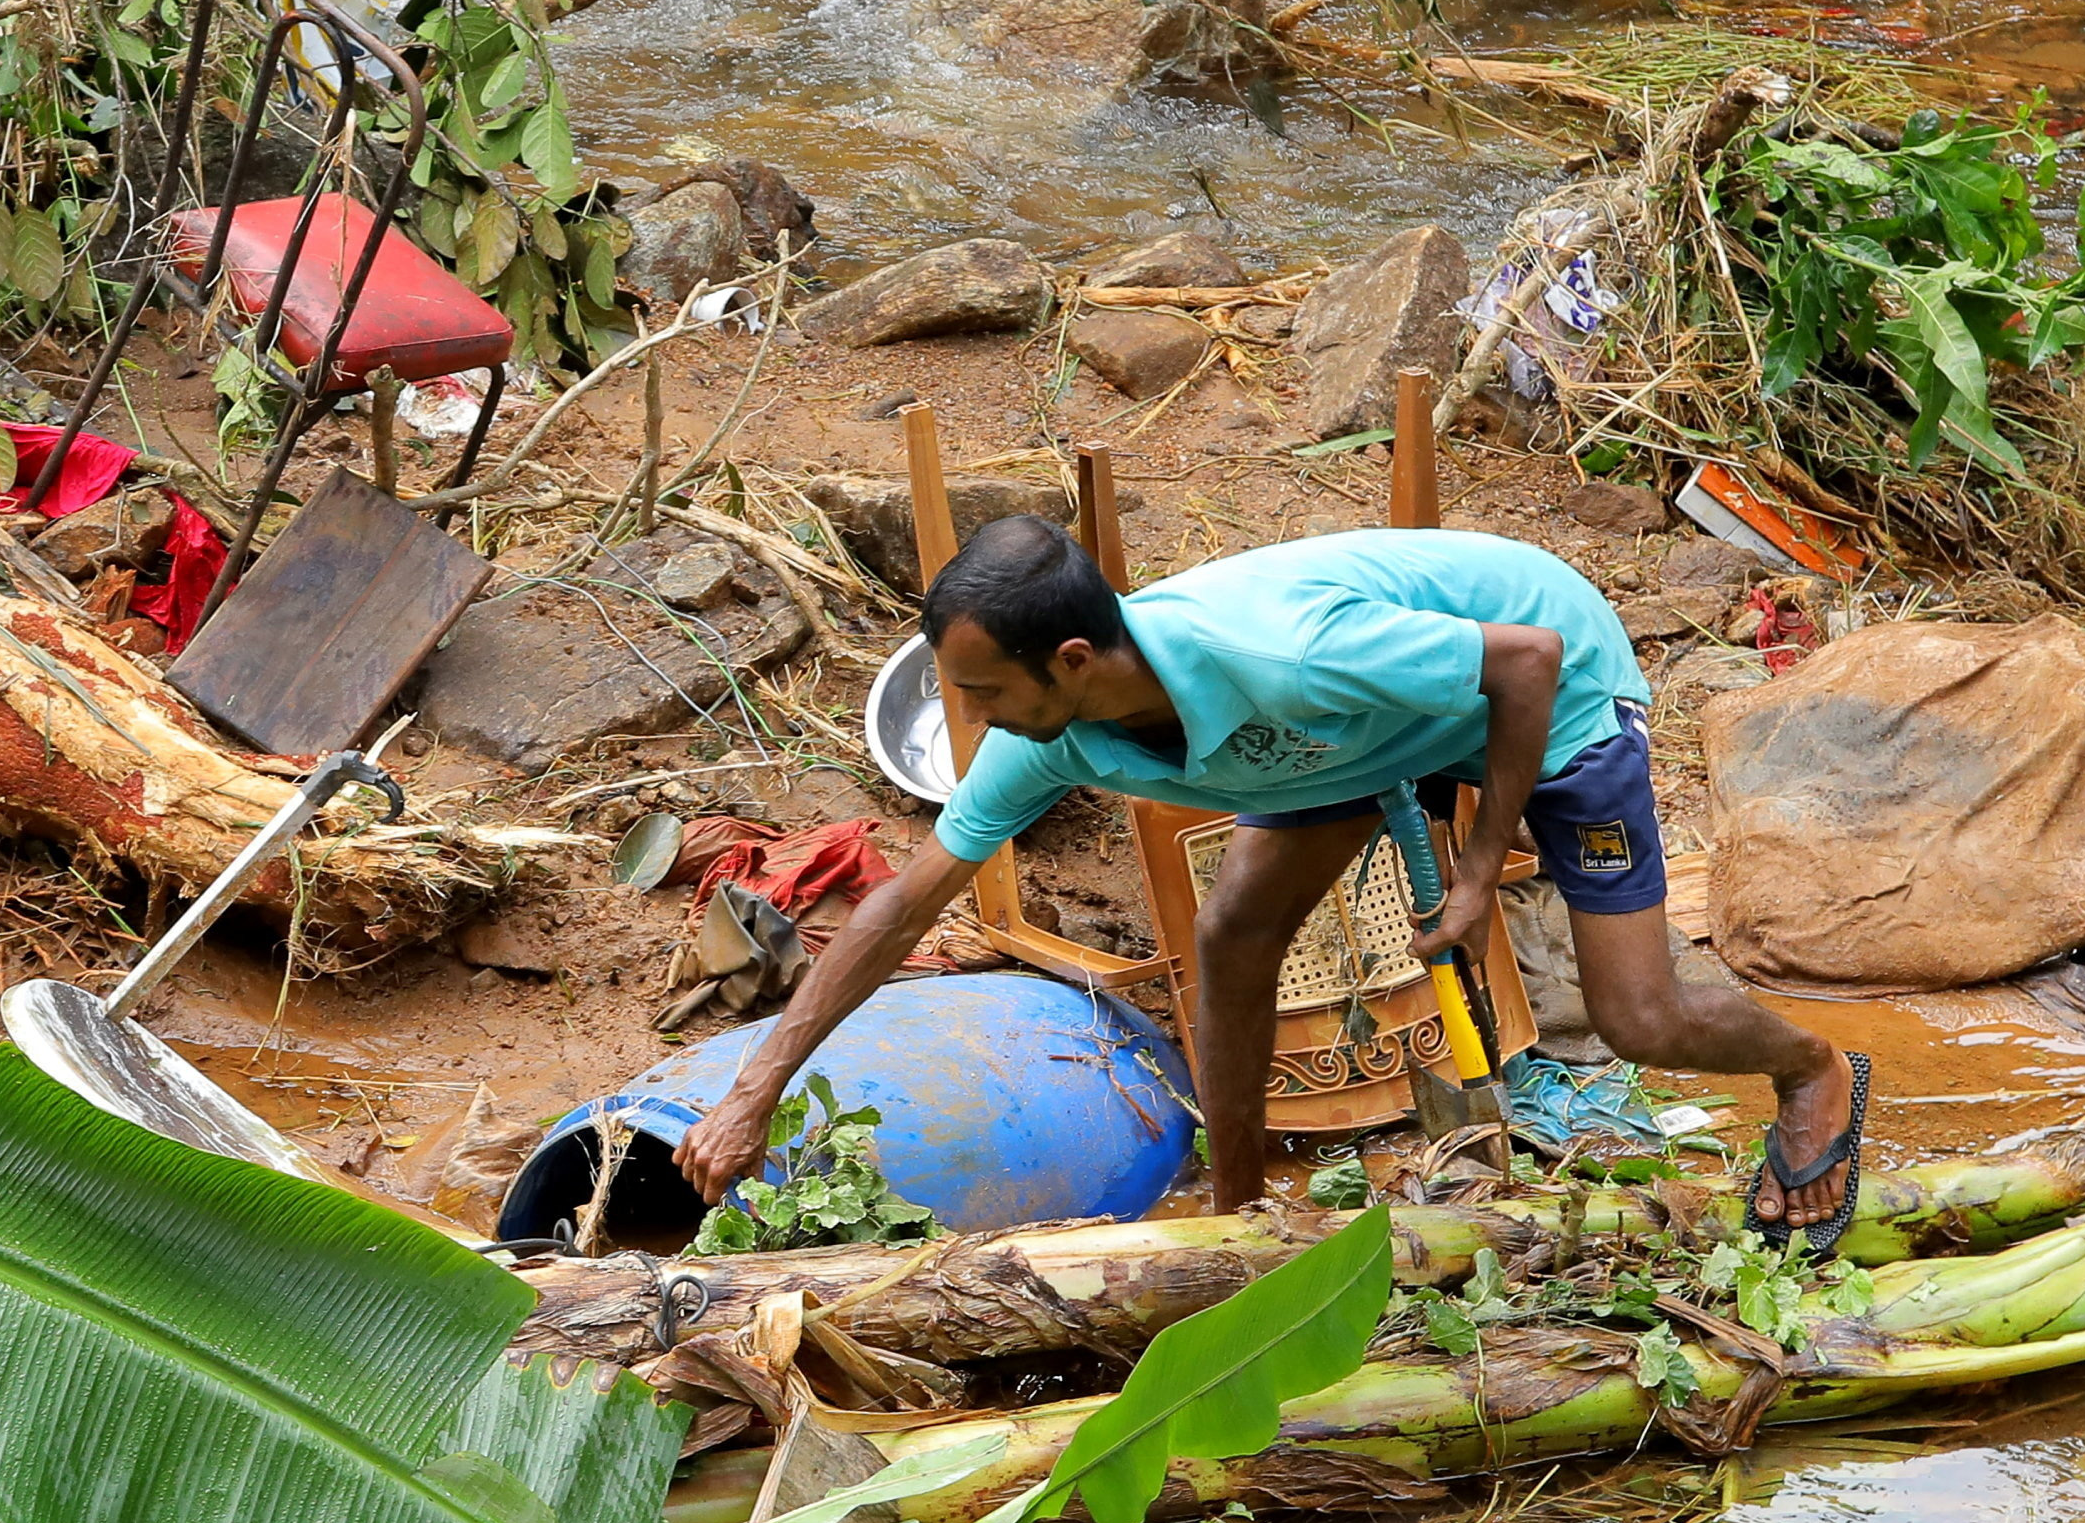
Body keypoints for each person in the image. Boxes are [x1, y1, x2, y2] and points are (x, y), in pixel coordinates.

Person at [676, 516, 1866, 1236]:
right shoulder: (1055, 735)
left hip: (1546, 696)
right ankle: (1234, 1214)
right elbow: (897, 908)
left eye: (982, 692)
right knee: (1235, 935)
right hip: (1361, 737)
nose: (970, 719)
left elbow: (1527, 659)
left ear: (1075, 660)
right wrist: (753, 1090)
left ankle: (1813, 1069)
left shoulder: (1276, 657)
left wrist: (1476, 860)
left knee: (1636, 1014)